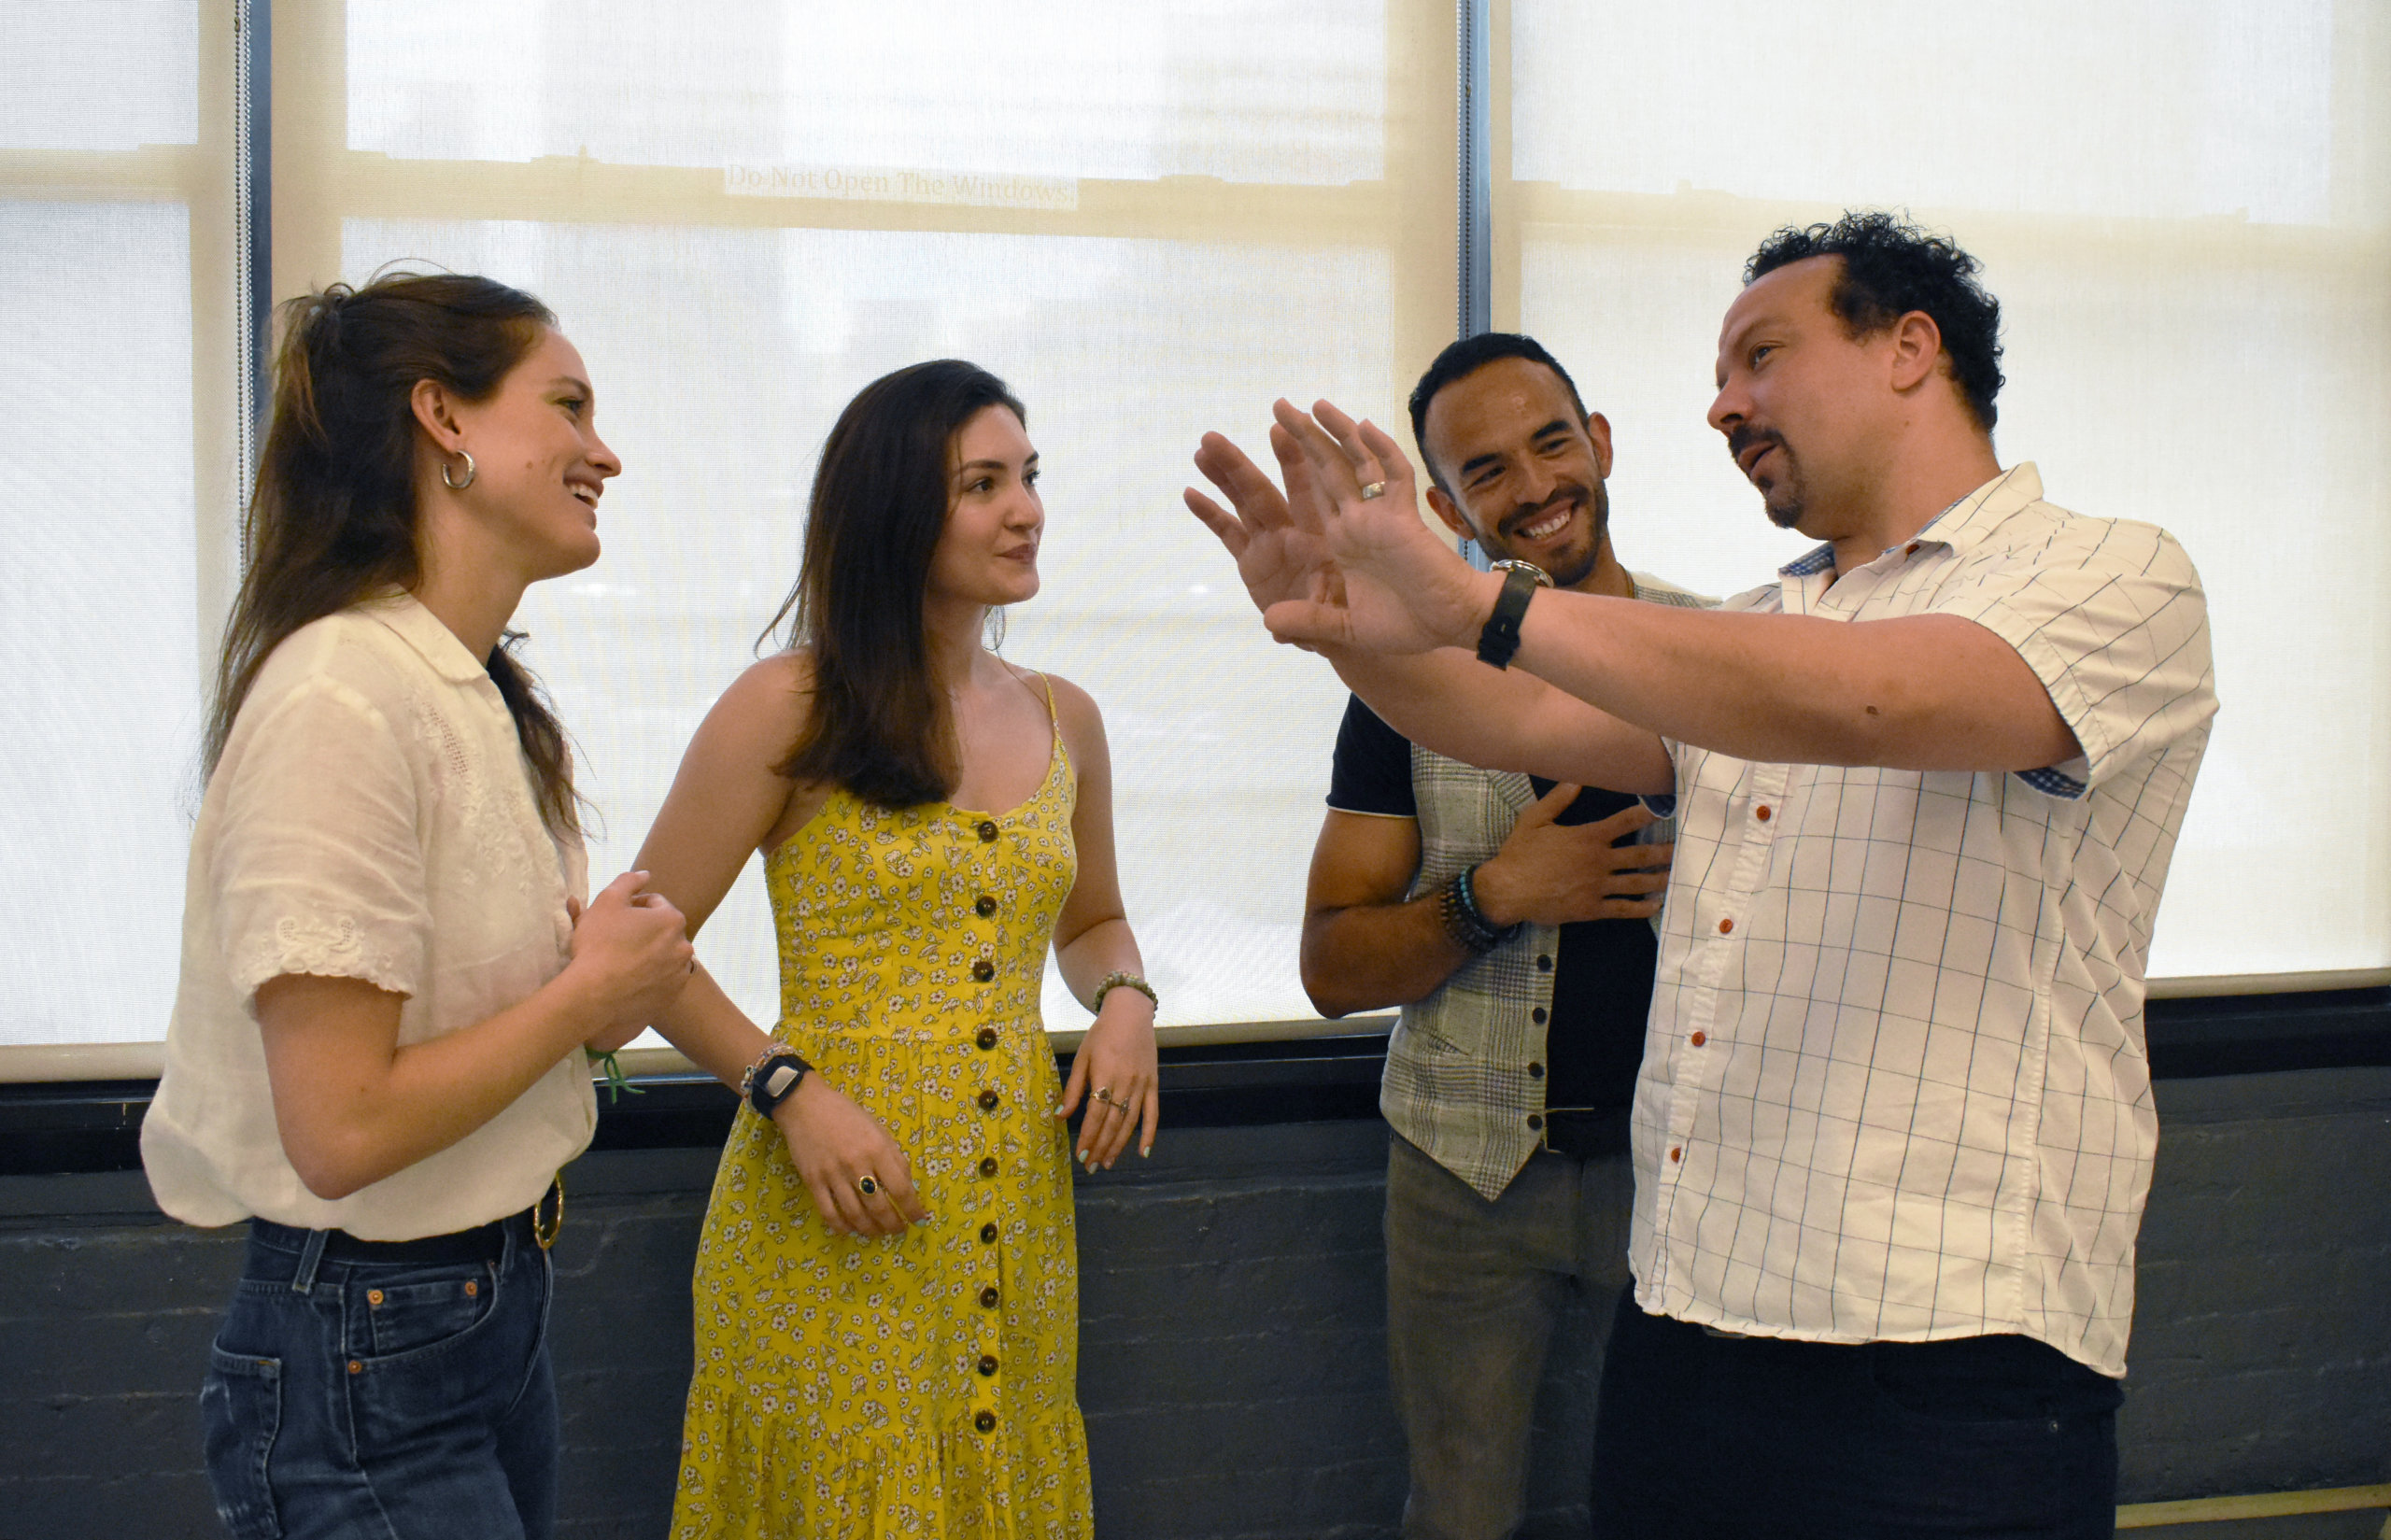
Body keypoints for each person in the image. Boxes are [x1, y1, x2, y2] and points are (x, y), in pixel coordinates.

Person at [1188, 212, 2215, 1538]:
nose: (1722, 404)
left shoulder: (2114, 573)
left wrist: (1484, 605)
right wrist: (1354, 633)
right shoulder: (1755, 625)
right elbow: (1510, 716)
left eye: (1761, 357)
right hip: (1691, 1317)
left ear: (1912, 349)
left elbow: (1878, 702)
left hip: (1950, 1341)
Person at [142, 272, 697, 1540]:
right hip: (363, 1340)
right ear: (442, 419)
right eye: (566, 405)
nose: (602, 452)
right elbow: (340, 1129)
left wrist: (592, 991)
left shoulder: (467, 688)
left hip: (481, 1308)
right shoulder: (343, 694)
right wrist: (585, 1000)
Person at [638, 359, 1158, 1538]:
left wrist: (1124, 997)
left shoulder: (1062, 711)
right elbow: (635, 944)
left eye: (1028, 476)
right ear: (891, 509)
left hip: (1011, 1207)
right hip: (826, 1205)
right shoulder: (789, 706)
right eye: (983, 483)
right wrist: (784, 1086)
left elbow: (1090, 922)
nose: (1024, 508)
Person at [1286, 332, 1700, 1540]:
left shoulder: (1721, 651)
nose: (1533, 487)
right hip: (1462, 1178)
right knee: (1459, 1512)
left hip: (1687, 1177)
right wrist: (1493, 895)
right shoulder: (1407, 688)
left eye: (1552, 443)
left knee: (1687, 1499)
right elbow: (1329, 969)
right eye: (1488, 469)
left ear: (1602, 442)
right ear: (1443, 502)